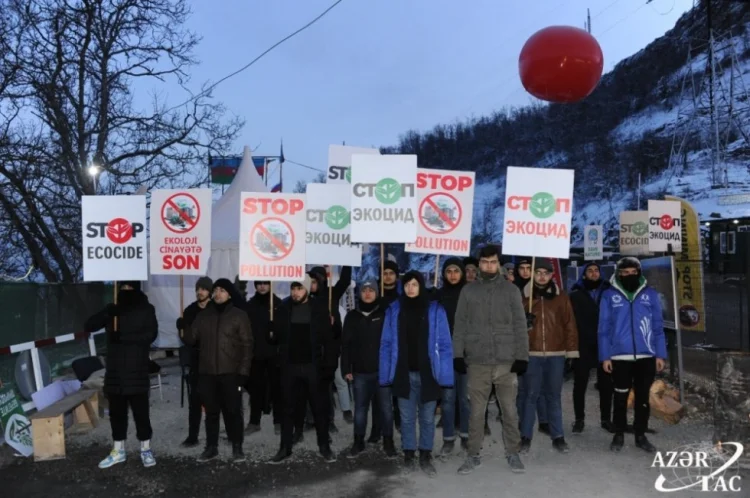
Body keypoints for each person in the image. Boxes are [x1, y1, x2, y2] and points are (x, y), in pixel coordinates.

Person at [453, 245, 527, 475]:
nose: (488, 266)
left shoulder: (511, 290)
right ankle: (473, 454)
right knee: (476, 411)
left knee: (509, 409)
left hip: (505, 360)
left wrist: (522, 356)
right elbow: (460, 325)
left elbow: (520, 325)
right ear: (478, 264)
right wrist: (458, 354)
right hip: (478, 360)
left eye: (493, 262)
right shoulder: (468, 291)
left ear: (499, 264)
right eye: (484, 262)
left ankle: (513, 452)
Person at [379, 271, 453, 477]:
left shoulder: (435, 310)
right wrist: (386, 375)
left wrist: (445, 376)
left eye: (414, 284)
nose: (410, 288)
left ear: (421, 286)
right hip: (403, 372)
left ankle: (425, 454)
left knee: (428, 418)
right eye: (407, 285)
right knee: (407, 418)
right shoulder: (394, 310)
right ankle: (409, 453)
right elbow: (386, 343)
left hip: (428, 373)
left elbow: (445, 344)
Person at [84, 281, 158, 469]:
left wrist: (123, 338)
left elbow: (150, 335)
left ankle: (146, 449)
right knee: (117, 415)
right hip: (115, 372)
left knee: (141, 414)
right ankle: (118, 450)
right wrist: (107, 313)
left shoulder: (146, 309)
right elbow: (89, 326)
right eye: (122, 288)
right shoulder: (113, 310)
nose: (125, 291)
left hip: (137, 370)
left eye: (129, 288)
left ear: (136, 288)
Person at [599, 257, 666, 453]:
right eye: (625, 272)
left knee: (643, 398)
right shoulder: (609, 296)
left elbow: (658, 327)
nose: (629, 275)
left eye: (633, 272)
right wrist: (605, 357)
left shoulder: (650, 294)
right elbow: (603, 329)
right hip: (619, 357)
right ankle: (618, 434)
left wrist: (660, 354)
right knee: (620, 397)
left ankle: (640, 435)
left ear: (639, 272)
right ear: (619, 273)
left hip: (646, 356)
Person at [184, 278, 253, 463]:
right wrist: (184, 326)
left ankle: (237, 447)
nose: (218, 293)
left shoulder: (239, 315)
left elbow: (247, 345)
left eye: (222, 290)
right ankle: (211, 447)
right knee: (211, 413)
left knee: (233, 412)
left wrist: (243, 373)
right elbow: (191, 340)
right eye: (216, 290)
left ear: (229, 294)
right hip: (207, 373)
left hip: (231, 373)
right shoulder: (204, 315)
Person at [270, 276, 337, 464]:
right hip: (289, 367)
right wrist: (272, 330)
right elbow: (277, 339)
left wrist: (329, 367)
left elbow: (330, 342)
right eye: (293, 288)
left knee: (319, 408)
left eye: (299, 288)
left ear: (307, 289)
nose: (295, 292)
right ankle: (285, 447)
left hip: (313, 367)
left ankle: (324, 446)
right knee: (287, 408)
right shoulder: (283, 309)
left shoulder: (319, 309)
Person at [520, 259, 578, 454]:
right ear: (532, 274)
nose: (542, 276)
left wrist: (571, 352)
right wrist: (524, 324)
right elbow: (512, 326)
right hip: (532, 354)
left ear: (552, 275)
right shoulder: (524, 297)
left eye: (546, 272)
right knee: (531, 395)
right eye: (538, 272)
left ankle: (558, 436)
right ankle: (525, 436)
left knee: (553, 396)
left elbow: (569, 325)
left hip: (555, 354)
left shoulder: (561, 297)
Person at [341, 280, 397, 458]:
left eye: (371, 290)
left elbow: (393, 341)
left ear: (377, 293)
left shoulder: (385, 313)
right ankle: (358, 441)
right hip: (360, 372)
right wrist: (346, 368)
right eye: (364, 290)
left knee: (386, 409)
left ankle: (388, 441)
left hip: (383, 371)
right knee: (360, 409)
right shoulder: (352, 316)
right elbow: (346, 345)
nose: (367, 293)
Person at [569, 262, 614, 434]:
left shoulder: (609, 292)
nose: (594, 273)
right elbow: (570, 321)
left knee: (606, 384)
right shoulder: (575, 294)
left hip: (605, 345)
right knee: (580, 384)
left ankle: (605, 419)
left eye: (597, 270)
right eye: (590, 270)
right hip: (583, 345)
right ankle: (579, 419)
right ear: (584, 274)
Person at [308, 266, 353, 429]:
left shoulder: (331, 294)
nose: (312, 285)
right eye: (310, 281)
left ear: (321, 280)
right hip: (313, 349)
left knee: (336, 381)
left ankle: (332, 418)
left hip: (332, 347)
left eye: (315, 281)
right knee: (313, 385)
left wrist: (346, 261)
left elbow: (345, 281)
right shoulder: (305, 298)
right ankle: (311, 419)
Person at [433, 257, 470, 454]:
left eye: (456, 271)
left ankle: (465, 435)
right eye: (449, 271)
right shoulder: (438, 296)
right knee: (447, 399)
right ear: (444, 274)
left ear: (462, 273)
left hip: (466, 355)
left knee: (464, 399)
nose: (453, 275)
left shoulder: (470, 294)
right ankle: (448, 438)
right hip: (445, 355)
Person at [514, 257, 549, 435]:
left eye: (529, 268)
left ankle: (544, 420)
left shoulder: (540, 290)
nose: (526, 271)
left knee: (539, 385)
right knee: (522, 388)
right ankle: (523, 419)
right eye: (522, 268)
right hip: (519, 345)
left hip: (537, 345)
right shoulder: (513, 290)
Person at [176, 277, 213, 448]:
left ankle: (224, 433)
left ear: (210, 291)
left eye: (204, 289)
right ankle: (193, 436)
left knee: (219, 399)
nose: (200, 292)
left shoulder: (216, 309)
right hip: (197, 361)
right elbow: (186, 341)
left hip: (215, 360)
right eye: (198, 288)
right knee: (195, 401)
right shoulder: (189, 311)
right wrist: (181, 328)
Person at [245, 280, 284, 435]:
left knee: (277, 389)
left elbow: (285, 330)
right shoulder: (250, 306)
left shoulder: (279, 304)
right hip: (256, 354)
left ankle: (279, 421)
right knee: (255, 390)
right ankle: (254, 422)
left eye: (265, 283)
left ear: (271, 284)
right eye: (259, 283)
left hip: (274, 354)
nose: (262, 286)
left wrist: (277, 331)